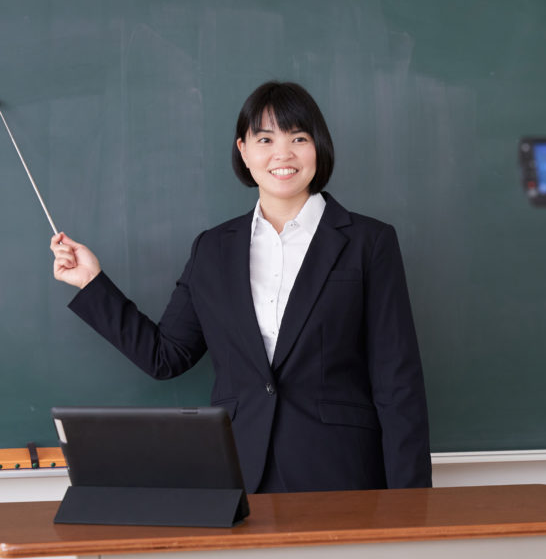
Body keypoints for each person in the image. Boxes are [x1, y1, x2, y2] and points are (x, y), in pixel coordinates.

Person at [50, 81, 432, 494]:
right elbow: (166, 356)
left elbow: (398, 382)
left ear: (318, 147)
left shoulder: (368, 242)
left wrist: (410, 502)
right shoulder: (213, 249)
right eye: (265, 139)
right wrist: (91, 282)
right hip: (238, 476)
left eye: (298, 138)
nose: (282, 154)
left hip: (340, 473)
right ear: (244, 151)